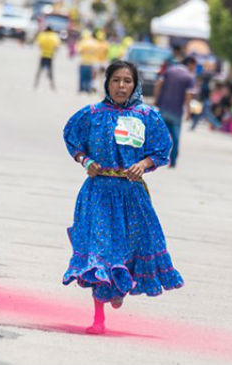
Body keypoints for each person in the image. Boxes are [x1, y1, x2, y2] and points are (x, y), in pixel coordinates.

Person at [62, 60, 184, 335]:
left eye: (127, 81)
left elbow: (162, 149)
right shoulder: (91, 114)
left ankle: (118, 287)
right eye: (116, 80)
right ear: (107, 83)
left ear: (135, 84)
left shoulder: (147, 116)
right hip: (98, 193)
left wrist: (144, 164)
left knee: (128, 250)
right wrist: (85, 161)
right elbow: (72, 138)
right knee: (100, 252)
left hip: (132, 195)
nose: (121, 86)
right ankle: (98, 319)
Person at [153, 57, 197, 167]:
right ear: (190, 64)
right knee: (175, 138)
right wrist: (189, 111)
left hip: (164, 107)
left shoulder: (169, 70)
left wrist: (157, 99)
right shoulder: (189, 77)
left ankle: (156, 159)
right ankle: (172, 161)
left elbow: (158, 83)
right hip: (176, 111)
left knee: (162, 135)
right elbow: (188, 96)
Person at [33, 26, 61, 90]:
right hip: (50, 56)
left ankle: (36, 84)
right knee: (50, 71)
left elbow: (39, 44)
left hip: (43, 55)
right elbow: (57, 46)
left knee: (39, 70)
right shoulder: (54, 36)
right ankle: (52, 85)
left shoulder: (42, 35)